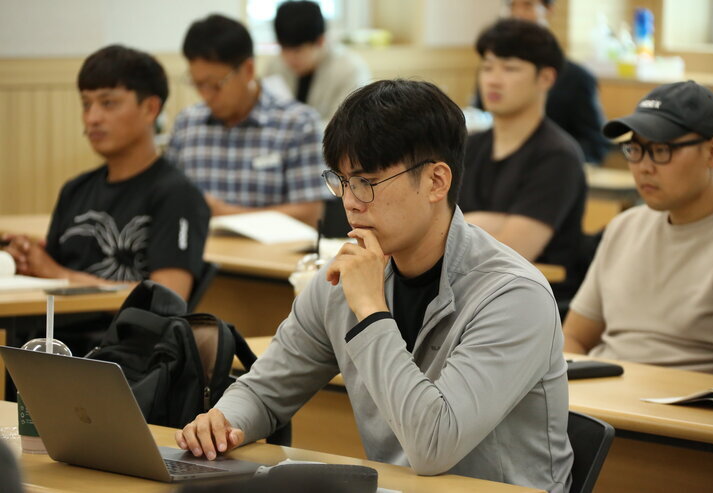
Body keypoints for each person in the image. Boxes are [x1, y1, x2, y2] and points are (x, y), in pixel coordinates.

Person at [176, 79, 573, 492]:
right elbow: (264, 392)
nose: (349, 201)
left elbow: (433, 446)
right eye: (342, 181)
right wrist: (221, 422)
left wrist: (370, 311)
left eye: (367, 182)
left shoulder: (514, 295)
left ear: (436, 181)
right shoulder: (344, 277)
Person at [2, 45, 209, 302]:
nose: (92, 118)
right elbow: (47, 274)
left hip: (120, 329)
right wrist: (25, 260)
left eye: (108, 103)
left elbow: (169, 300)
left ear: (150, 109)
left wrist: (59, 275)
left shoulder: (177, 194)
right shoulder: (75, 189)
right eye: (86, 104)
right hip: (55, 325)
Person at [563, 81, 713, 376]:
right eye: (635, 149)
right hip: (603, 396)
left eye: (661, 150)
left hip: (684, 402)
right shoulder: (625, 226)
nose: (644, 167)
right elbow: (574, 337)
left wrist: (681, 400)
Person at [460, 19, 586, 301]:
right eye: (487, 67)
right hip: (468, 292)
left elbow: (511, 253)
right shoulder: (470, 146)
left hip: (532, 299)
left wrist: (465, 224)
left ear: (546, 78)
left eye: (510, 68)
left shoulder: (558, 155)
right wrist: (485, 224)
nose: (493, 80)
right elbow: (437, 231)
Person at [166, 14, 328, 226]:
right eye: (198, 85)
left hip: (272, 248)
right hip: (198, 247)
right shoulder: (187, 124)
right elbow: (166, 200)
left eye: (215, 85)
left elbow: (310, 214)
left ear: (248, 70)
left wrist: (226, 214)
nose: (206, 95)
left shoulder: (297, 124)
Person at [473, 0, 610, 164]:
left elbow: (594, 143)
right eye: (511, 6)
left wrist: (557, 160)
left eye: (527, 5)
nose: (517, 14)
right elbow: (480, 115)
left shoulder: (577, 77)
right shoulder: (475, 146)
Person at [263, 0, 371, 123]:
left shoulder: (350, 70)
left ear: (320, 41)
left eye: (297, 51)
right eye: (283, 48)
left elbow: (346, 126)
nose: (289, 58)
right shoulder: (275, 66)